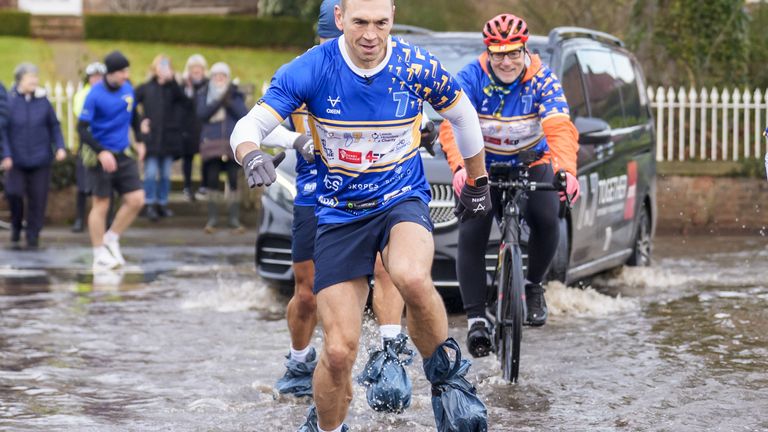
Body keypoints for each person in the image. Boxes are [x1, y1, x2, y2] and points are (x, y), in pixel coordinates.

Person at [230, 0, 492, 430]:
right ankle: (327, 425)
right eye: (360, 23)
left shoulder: (414, 63)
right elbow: (247, 126)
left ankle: (446, 379)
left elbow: (462, 114)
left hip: (400, 198)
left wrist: (478, 182)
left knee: (408, 275)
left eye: (381, 23)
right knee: (337, 352)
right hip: (339, 213)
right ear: (339, 20)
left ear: (392, 18)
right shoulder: (311, 67)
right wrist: (251, 154)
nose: (371, 35)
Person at [272, 0, 410, 409]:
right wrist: (293, 141)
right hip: (317, 193)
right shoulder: (307, 70)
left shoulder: (384, 69)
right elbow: (264, 126)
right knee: (307, 291)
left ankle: (389, 354)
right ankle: (299, 362)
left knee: (388, 269)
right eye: (334, 39)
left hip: (378, 190)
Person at [438, 13, 580, 357]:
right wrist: (460, 166)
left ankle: (533, 287)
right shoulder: (471, 76)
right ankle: (475, 319)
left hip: (533, 163)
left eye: (513, 53)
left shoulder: (542, 79)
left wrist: (566, 171)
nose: (506, 61)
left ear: (525, 49)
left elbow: (560, 127)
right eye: (498, 54)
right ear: (487, 52)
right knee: (472, 229)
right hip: (482, 164)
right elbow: (451, 124)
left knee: (547, 218)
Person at [77, 50, 146, 270]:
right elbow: (81, 128)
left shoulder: (128, 88)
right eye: (122, 71)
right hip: (101, 154)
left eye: (127, 70)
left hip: (122, 152)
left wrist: (140, 141)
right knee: (101, 204)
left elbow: (134, 115)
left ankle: (112, 237)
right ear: (111, 73)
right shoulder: (95, 94)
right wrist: (100, 151)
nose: (126, 75)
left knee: (136, 199)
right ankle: (99, 253)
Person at [1, 63, 66, 249]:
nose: (35, 81)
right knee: (13, 193)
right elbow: (3, 129)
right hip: (16, 159)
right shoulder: (10, 101)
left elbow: (54, 125)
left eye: (36, 77)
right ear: (20, 79)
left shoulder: (43, 100)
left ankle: (33, 234)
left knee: (38, 198)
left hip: (40, 158)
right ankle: (15, 224)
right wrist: (6, 154)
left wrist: (59, 147)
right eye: (31, 77)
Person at [196, 62, 247, 233]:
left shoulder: (235, 95)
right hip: (211, 144)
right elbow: (202, 113)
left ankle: (233, 219)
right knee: (212, 179)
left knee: (233, 179)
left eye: (223, 76)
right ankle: (213, 219)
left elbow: (243, 114)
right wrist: (219, 100)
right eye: (216, 76)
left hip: (231, 145)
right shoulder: (204, 93)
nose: (219, 79)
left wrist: (229, 99)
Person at [135, 54, 185, 221]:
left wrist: (173, 82)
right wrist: (141, 122)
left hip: (168, 139)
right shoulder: (146, 88)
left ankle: (162, 203)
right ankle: (149, 203)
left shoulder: (174, 89)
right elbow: (130, 105)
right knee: (150, 173)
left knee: (165, 175)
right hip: (152, 139)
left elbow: (185, 102)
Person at [72, 62, 108, 233]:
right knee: (82, 184)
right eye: (94, 76)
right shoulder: (83, 94)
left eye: (100, 76)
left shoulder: (108, 93)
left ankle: (107, 221)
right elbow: (82, 115)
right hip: (87, 142)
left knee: (107, 184)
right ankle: (79, 219)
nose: (97, 79)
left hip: (106, 141)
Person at [179, 54, 209, 202]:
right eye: (193, 70)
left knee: (205, 157)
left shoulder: (208, 85)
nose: (196, 72)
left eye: (199, 69)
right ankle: (187, 186)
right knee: (188, 158)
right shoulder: (184, 85)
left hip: (203, 126)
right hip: (187, 127)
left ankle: (204, 185)